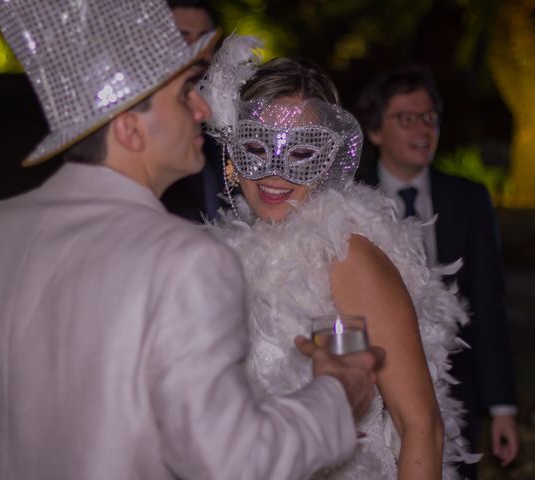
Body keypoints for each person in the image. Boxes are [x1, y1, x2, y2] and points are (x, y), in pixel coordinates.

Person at [0, 1, 384, 479]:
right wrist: (336, 396)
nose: (203, 109)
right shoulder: (183, 260)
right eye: (185, 92)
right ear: (129, 126)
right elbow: (233, 462)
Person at [201, 39, 472, 479]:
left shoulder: (348, 259)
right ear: (233, 153)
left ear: (328, 160)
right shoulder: (223, 260)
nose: (275, 172)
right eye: (256, 148)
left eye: (301, 153)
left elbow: (421, 425)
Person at [354, 64, 519, 479]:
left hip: (455, 391)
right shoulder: (351, 198)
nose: (423, 129)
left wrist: (501, 407)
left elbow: (487, 303)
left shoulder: (468, 199)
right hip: (374, 391)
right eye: (407, 118)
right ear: (375, 131)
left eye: (429, 118)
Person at [161, 0, 224, 221]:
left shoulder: (229, 117)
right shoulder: (142, 117)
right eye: (183, 36)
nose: (197, 48)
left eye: (204, 38)